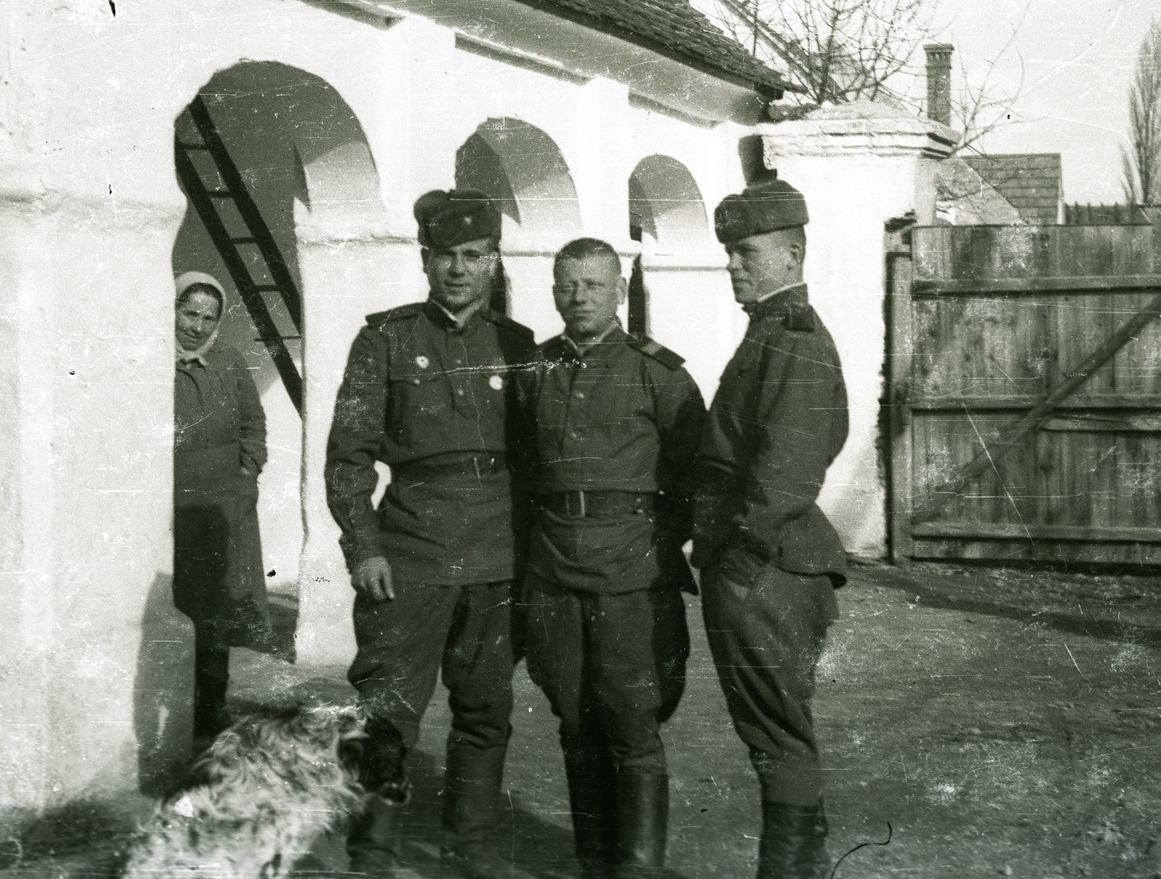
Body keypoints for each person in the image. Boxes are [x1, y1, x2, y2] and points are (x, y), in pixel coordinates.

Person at [325, 189, 537, 879]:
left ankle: (469, 854)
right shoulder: (383, 339)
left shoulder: (518, 345)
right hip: (410, 554)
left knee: (484, 715)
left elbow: (536, 460)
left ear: (493, 261)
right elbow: (347, 455)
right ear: (425, 259)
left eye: (473, 256)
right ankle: (372, 857)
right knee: (387, 715)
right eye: (445, 255)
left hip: (495, 557)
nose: (458, 269)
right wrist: (364, 547)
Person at [516, 238, 706, 879]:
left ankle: (640, 868)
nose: (579, 297)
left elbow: (692, 476)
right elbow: (520, 466)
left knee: (633, 723)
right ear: (553, 290)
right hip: (553, 563)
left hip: (632, 569)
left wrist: (651, 539)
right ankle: (593, 861)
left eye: (594, 285)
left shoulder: (661, 374)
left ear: (619, 291)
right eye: (567, 284)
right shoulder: (534, 370)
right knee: (572, 715)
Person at [690, 179, 849, 879]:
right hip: (765, 563)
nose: (734, 265)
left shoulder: (795, 340)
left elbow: (788, 471)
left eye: (747, 252)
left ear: (792, 254)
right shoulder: (770, 334)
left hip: (767, 567)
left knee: (777, 736)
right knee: (776, 732)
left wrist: (739, 558)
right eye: (729, 252)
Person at [171, 271, 269, 741]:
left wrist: (247, 473)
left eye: (209, 318)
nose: (198, 326)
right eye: (190, 312)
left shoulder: (229, 362)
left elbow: (254, 424)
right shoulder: (154, 363)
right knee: (178, 606)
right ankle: (172, 706)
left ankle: (212, 706)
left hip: (224, 509)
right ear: (172, 308)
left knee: (218, 608)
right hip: (173, 509)